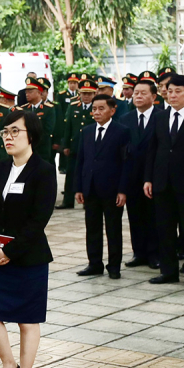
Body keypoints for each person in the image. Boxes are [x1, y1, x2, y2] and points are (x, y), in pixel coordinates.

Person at [0, 110, 56, 368]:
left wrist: (10, 251)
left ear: (31, 136)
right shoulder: (0, 167)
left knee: (27, 321)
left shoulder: (43, 170)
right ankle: (8, 365)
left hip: (28, 257)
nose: (8, 137)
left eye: (15, 131)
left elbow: (38, 221)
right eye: (5, 132)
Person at [144, 74, 184, 288]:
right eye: (169, 91)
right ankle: (168, 271)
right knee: (165, 229)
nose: (172, 95)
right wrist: (148, 179)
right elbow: (153, 149)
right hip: (162, 182)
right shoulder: (160, 117)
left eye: (177, 91)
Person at [75, 95, 132, 280]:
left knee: (113, 229)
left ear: (112, 111)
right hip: (90, 187)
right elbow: (80, 161)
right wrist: (79, 188)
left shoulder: (122, 131)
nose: (97, 112)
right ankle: (94, 263)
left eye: (101, 108)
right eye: (94, 109)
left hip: (112, 189)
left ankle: (114, 266)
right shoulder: (87, 131)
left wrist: (122, 190)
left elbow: (126, 163)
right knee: (92, 228)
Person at [120, 79, 162, 269]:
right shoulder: (125, 119)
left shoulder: (161, 117)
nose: (138, 96)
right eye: (136, 92)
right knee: (134, 215)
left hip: (153, 175)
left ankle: (154, 253)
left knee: (153, 216)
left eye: (143, 93)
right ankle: (139, 252)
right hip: (132, 175)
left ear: (153, 96)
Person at [57, 79, 97, 209]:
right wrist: (66, 145)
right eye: (84, 93)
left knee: (89, 174)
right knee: (71, 174)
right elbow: (68, 127)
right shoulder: (74, 106)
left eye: (89, 94)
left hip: (91, 147)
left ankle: (87, 201)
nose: (86, 96)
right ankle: (68, 201)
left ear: (94, 94)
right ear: (79, 93)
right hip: (75, 146)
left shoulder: (97, 107)